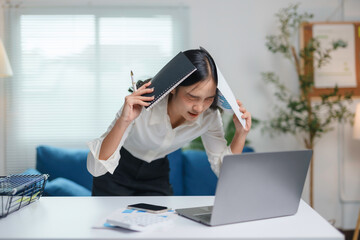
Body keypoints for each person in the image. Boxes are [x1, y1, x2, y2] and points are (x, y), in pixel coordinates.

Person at [87, 48, 252, 196]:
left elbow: (224, 173)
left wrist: (240, 134)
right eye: (192, 97)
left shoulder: (209, 117)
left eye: (208, 99)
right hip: (118, 170)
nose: (199, 107)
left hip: (156, 174)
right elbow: (96, 168)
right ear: (174, 86)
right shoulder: (142, 104)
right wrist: (124, 120)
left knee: (162, 226)